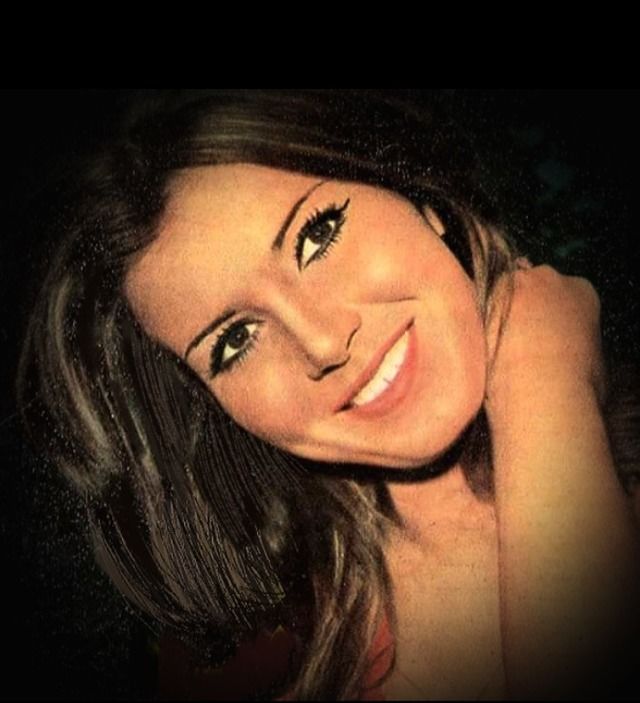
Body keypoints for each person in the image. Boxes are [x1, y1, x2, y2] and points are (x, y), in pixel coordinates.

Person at [17, 89, 640, 700]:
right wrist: (542, 377)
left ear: (413, 192)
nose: (323, 343)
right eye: (235, 340)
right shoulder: (251, 666)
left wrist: (546, 388)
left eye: (318, 235)